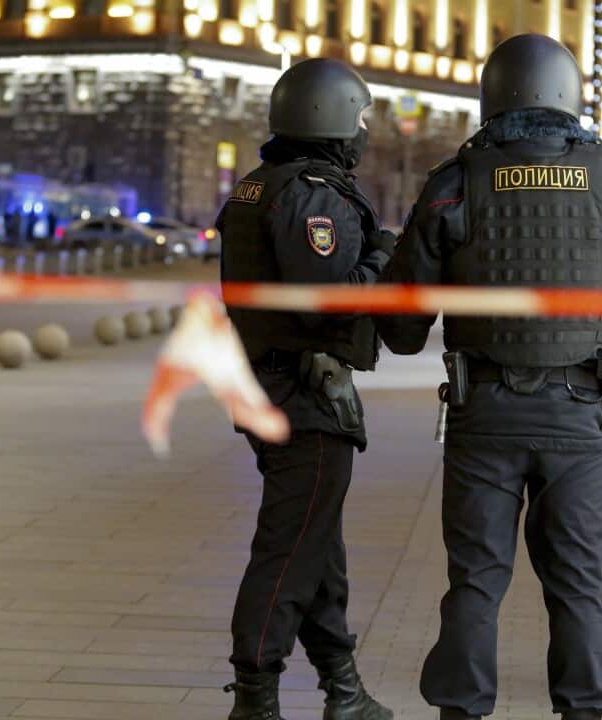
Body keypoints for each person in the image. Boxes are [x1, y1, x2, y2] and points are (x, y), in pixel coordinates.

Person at [376, 34, 602, 720]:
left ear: (492, 95)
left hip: (484, 416)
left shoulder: (456, 185)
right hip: (584, 417)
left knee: (476, 581)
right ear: (570, 97)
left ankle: (462, 710)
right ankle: (586, 710)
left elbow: (401, 324)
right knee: (578, 584)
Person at [216, 57, 397, 720]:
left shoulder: (259, 186)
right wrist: (383, 256)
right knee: (290, 550)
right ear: (331, 116)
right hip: (304, 395)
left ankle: (342, 690)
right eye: (359, 116)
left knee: (316, 545)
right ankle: (255, 696)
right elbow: (323, 302)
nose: (364, 131)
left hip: (269, 384)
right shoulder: (312, 192)